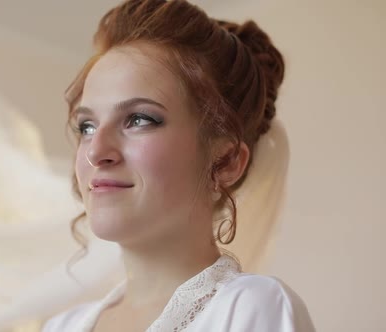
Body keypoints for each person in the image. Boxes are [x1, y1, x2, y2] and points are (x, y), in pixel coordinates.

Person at [43, 0, 315, 331]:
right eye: (87, 126)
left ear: (225, 161)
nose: (96, 151)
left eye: (139, 119)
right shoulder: (61, 327)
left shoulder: (251, 309)